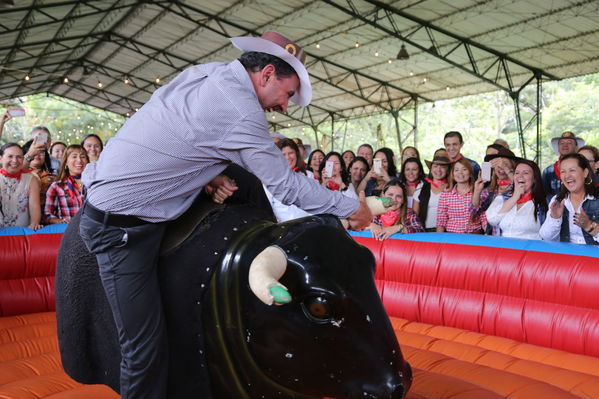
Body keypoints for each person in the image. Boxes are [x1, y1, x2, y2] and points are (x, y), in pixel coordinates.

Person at [78, 30, 372, 399]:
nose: (284, 105)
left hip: (142, 207)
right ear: (266, 74)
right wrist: (352, 207)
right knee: (144, 349)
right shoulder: (240, 111)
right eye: (288, 93)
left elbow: (170, 125)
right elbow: (286, 187)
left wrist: (207, 170)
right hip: (122, 230)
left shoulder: (208, 72)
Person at [540, 153, 599, 245]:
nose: (567, 176)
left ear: (585, 173)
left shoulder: (596, 198)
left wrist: (589, 226)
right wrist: (555, 218)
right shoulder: (557, 200)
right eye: (563, 171)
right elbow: (546, 237)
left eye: (572, 170)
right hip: (567, 256)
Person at [486, 159, 547, 240]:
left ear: (535, 179)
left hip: (532, 250)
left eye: (525, 173)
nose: (520, 176)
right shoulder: (503, 198)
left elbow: (550, 234)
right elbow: (492, 219)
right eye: (517, 173)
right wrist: (515, 197)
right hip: (505, 249)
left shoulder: (543, 202)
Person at [471, 145, 516, 234]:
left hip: (513, 236)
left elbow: (519, 188)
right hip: (494, 238)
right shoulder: (491, 190)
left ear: (513, 166)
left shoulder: (517, 186)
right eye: (497, 165)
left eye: (505, 164)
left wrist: (506, 168)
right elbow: (474, 210)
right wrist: (477, 191)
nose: (501, 168)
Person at [437, 158, 485, 234]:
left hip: (475, 235)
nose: (460, 173)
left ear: (470, 173)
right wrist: (438, 241)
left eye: (464, 169)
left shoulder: (478, 191)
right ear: (452, 174)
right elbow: (441, 220)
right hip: (452, 236)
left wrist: (488, 235)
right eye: (456, 170)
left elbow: (483, 216)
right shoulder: (446, 194)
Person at [0, 143, 42, 230]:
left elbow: (34, 206)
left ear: (23, 159)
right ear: (1, 159)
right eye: (10, 156)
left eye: (19, 157)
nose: (15, 161)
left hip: (22, 234)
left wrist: (34, 223)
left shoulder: (31, 179)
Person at [45, 145, 89, 224]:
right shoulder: (57, 186)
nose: (79, 160)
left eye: (83, 156)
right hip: (67, 231)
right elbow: (47, 215)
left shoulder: (94, 184)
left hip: (92, 231)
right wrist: (60, 221)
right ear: (66, 163)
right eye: (74, 156)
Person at [542, 131, 584, 202]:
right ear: (558, 148)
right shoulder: (548, 171)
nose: (565, 145)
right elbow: (544, 195)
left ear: (577, 148)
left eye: (569, 143)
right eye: (562, 143)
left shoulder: (583, 168)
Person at [413, 155, 450, 231]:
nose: (438, 170)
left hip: (447, 231)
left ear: (447, 170)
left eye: (442, 167)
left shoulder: (451, 187)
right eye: (435, 166)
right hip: (425, 231)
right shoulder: (421, 186)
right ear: (431, 169)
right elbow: (414, 214)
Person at [22, 140, 56, 217]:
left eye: (41, 152)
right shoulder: (18, 174)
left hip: (48, 219)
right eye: (34, 152)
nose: (36, 155)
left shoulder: (54, 179)